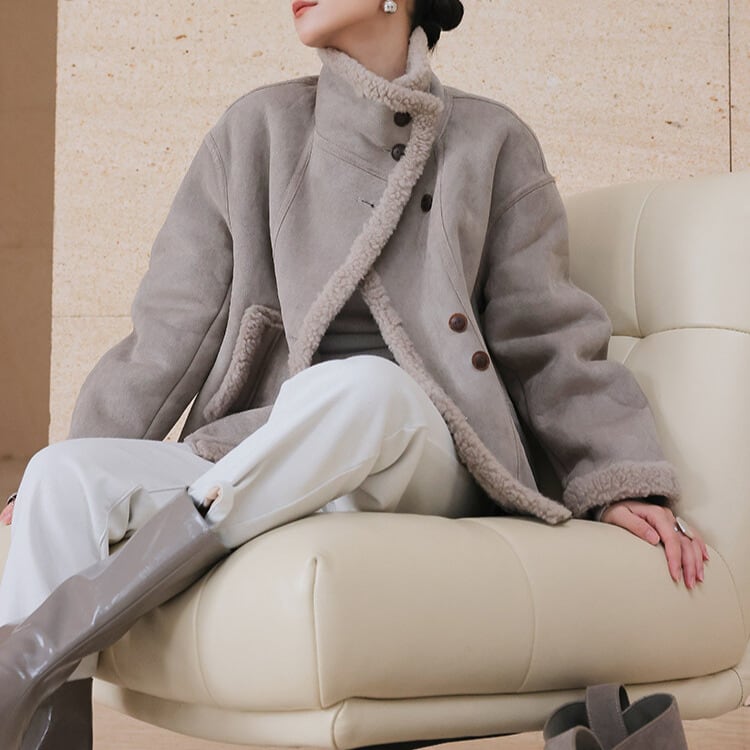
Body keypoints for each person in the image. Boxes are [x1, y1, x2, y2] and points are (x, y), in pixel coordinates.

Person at [0, 1, 709, 748]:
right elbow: (168, 330)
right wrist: (89, 445)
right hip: (274, 454)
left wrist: (617, 477)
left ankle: (33, 649)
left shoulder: (492, 141)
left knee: (362, 387)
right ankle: (26, 693)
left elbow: (547, 336)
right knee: (60, 477)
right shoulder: (255, 130)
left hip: (424, 452)